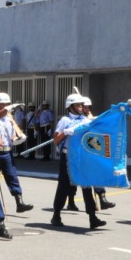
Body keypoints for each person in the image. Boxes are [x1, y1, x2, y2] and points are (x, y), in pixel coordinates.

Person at [50, 92, 106, 229]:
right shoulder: (65, 120)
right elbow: (56, 140)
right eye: (78, 105)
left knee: (86, 186)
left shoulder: (86, 120)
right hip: (68, 156)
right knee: (64, 186)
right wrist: (66, 132)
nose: (81, 107)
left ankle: (93, 217)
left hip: (83, 156)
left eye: (82, 105)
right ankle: (56, 215)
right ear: (70, 106)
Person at [0, 92, 32, 213]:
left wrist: (18, 139)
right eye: (4, 104)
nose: (6, 106)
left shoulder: (10, 119)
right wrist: (8, 109)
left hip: (7, 152)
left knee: (12, 177)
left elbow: (11, 137)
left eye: (7, 103)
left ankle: (19, 202)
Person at [82, 96, 115, 210]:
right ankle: (70, 201)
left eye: (88, 107)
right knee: (69, 184)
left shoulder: (89, 117)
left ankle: (102, 199)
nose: (86, 109)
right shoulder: (78, 119)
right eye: (84, 107)